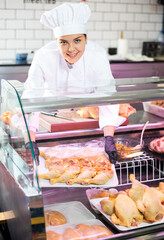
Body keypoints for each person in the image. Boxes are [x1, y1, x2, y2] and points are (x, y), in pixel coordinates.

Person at [22, 2, 125, 165]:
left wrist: (109, 137)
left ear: (86, 39)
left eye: (77, 40)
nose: (71, 49)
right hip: (49, 117)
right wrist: (30, 140)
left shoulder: (97, 55)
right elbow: (32, 97)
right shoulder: (43, 56)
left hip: (87, 118)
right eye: (63, 42)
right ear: (57, 41)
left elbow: (107, 95)